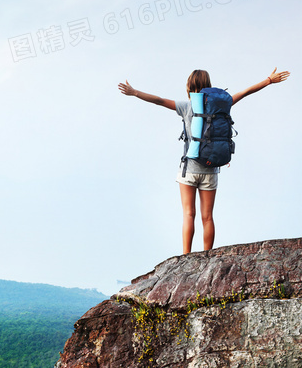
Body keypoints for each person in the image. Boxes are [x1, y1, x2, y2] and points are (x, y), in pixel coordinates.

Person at [117, 68, 290, 254]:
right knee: (207, 217)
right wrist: (268, 81)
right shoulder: (223, 105)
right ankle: (207, 257)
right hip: (210, 170)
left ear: (189, 86)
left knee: (188, 214)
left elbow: (159, 101)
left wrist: (134, 92)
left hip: (189, 170)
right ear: (208, 85)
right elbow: (246, 92)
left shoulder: (186, 106)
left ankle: (186, 257)